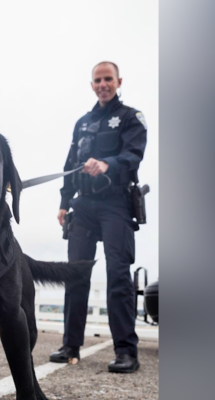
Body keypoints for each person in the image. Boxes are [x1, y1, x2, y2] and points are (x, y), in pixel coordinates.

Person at [49, 61, 148, 373]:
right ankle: (70, 346)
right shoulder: (82, 122)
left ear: (119, 81)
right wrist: (65, 203)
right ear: (91, 84)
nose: (103, 84)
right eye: (97, 80)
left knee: (118, 275)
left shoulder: (131, 117)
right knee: (75, 274)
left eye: (108, 79)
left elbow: (134, 155)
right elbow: (70, 163)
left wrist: (107, 164)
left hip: (116, 203)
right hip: (85, 205)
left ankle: (126, 352)